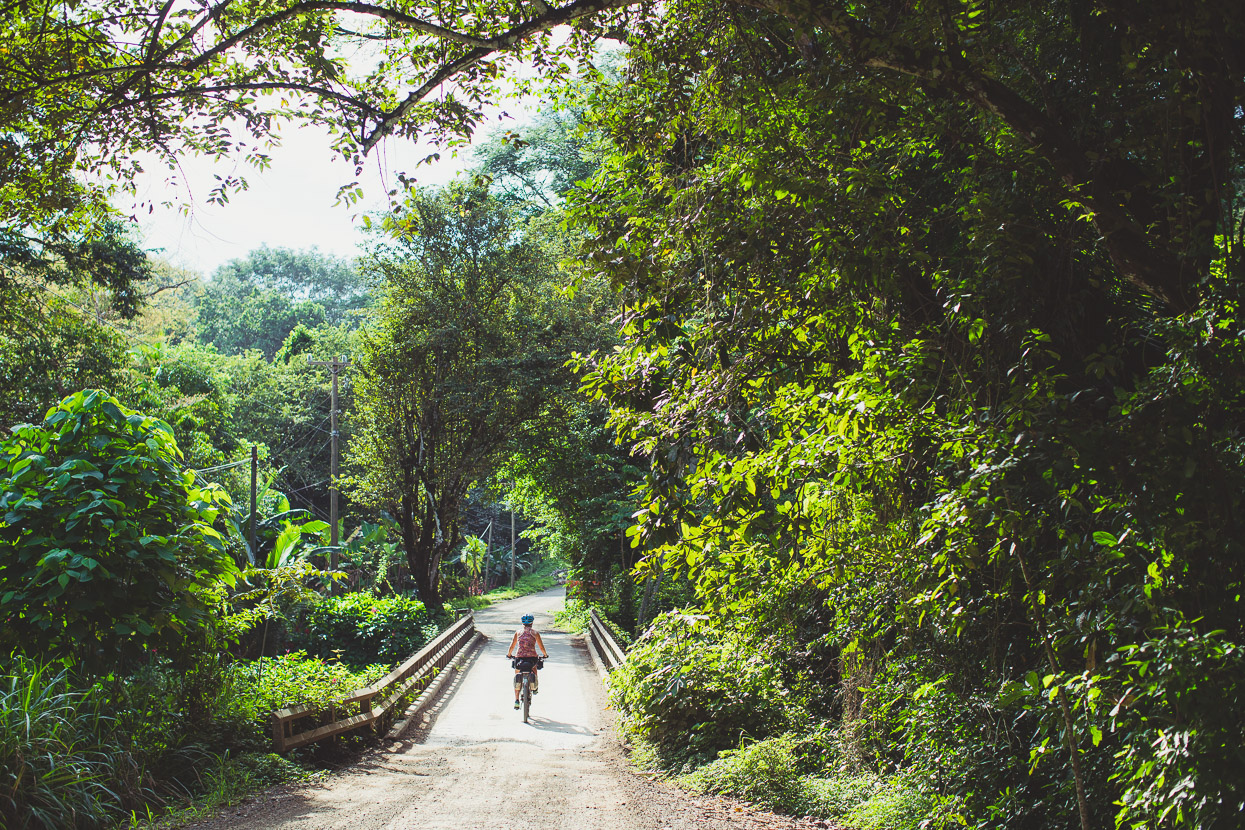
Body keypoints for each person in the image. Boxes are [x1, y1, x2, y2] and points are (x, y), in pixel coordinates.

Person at [506, 613, 549, 709]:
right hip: (532, 658)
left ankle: (516, 700)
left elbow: (512, 646)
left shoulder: (518, 633)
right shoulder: (535, 633)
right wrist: (545, 655)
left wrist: (509, 654)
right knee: (534, 670)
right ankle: (534, 687)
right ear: (532, 623)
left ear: (522, 623)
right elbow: (541, 647)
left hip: (519, 658)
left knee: (517, 675)